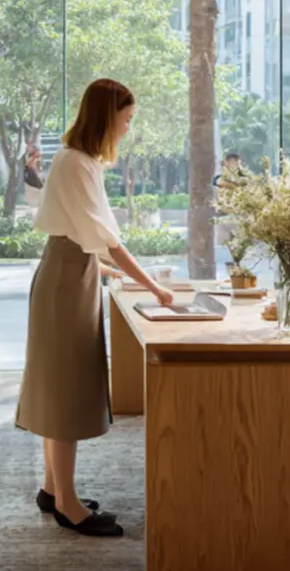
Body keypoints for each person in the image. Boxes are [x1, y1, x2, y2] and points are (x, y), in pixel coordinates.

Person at [15, 78, 173, 538]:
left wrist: (105, 272)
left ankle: (51, 489)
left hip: (68, 273)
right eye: (124, 121)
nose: (126, 129)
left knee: (58, 386)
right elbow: (108, 241)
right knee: (66, 391)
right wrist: (155, 289)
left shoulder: (73, 160)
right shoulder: (79, 164)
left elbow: (79, 235)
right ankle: (68, 504)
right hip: (67, 282)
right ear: (105, 117)